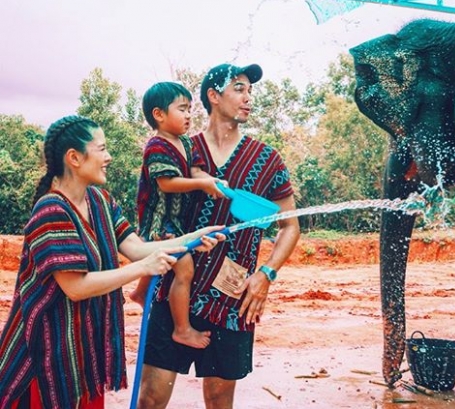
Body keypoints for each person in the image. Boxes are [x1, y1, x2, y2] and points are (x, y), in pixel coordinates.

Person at [0, 115, 225, 409]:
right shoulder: (52, 210)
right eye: (102, 149)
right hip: (46, 357)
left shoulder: (100, 200)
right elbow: (76, 287)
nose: (108, 157)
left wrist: (192, 239)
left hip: (83, 355)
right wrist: (143, 269)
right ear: (74, 158)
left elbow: (135, 248)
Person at [137, 63, 301, 409]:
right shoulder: (181, 150)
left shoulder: (268, 159)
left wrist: (266, 274)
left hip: (233, 295)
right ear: (214, 96)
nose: (248, 98)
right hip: (173, 292)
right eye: (239, 89)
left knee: (218, 397)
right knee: (152, 396)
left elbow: (290, 225)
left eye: (250, 91)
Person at [130, 81, 225, 349]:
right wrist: (202, 185)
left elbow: (195, 172)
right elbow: (167, 183)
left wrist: (212, 181)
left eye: (190, 109)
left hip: (177, 221)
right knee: (184, 269)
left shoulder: (185, 142)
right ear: (159, 114)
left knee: (158, 260)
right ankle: (181, 329)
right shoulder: (157, 146)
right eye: (182, 109)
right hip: (159, 221)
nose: (188, 115)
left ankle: (139, 292)